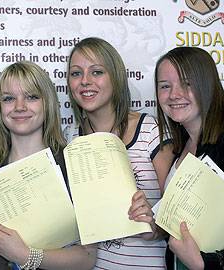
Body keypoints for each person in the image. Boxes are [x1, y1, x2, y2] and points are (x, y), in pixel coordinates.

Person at [64, 37, 174, 269]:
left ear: (115, 76)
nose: (85, 81)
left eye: (96, 72)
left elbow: (177, 213)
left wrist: (152, 226)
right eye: (76, 73)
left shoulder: (151, 130)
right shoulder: (70, 137)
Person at [0, 61, 97, 270]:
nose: (19, 106)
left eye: (32, 96)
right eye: (9, 98)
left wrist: (26, 256)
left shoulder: (71, 164)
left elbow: (87, 257)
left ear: (48, 103)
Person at [155, 46, 224, 270]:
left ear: (207, 84)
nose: (174, 94)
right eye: (165, 86)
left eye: (186, 83)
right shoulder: (179, 148)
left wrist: (205, 264)